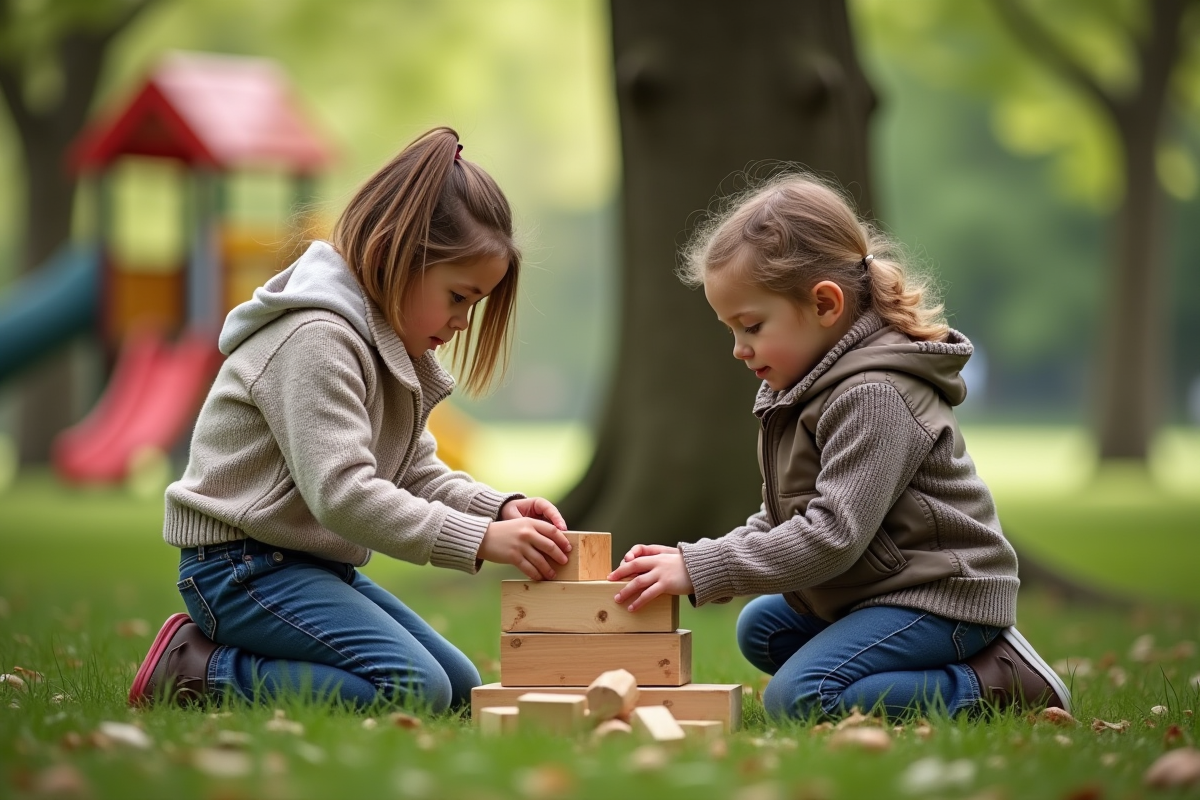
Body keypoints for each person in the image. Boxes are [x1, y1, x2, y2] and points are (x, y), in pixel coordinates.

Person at [129, 127, 571, 713]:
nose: (464, 320)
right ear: (397, 254)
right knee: (415, 689)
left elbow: (412, 471)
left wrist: (497, 509)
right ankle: (197, 668)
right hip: (242, 568)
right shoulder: (318, 339)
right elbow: (343, 494)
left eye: (475, 304)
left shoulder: (392, 344)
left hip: (309, 564)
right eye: (458, 296)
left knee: (461, 689)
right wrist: (482, 540)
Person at [608, 174, 1071, 720]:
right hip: (881, 588)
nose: (739, 349)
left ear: (825, 304)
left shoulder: (873, 395)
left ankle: (997, 682)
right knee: (763, 627)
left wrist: (706, 567)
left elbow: (831, 537)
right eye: (730, 330)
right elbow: (785, 519)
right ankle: (918, 669)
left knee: (800, 698)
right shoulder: (808, 390)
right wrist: (696, 558)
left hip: (941, 596)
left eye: (751, 326)